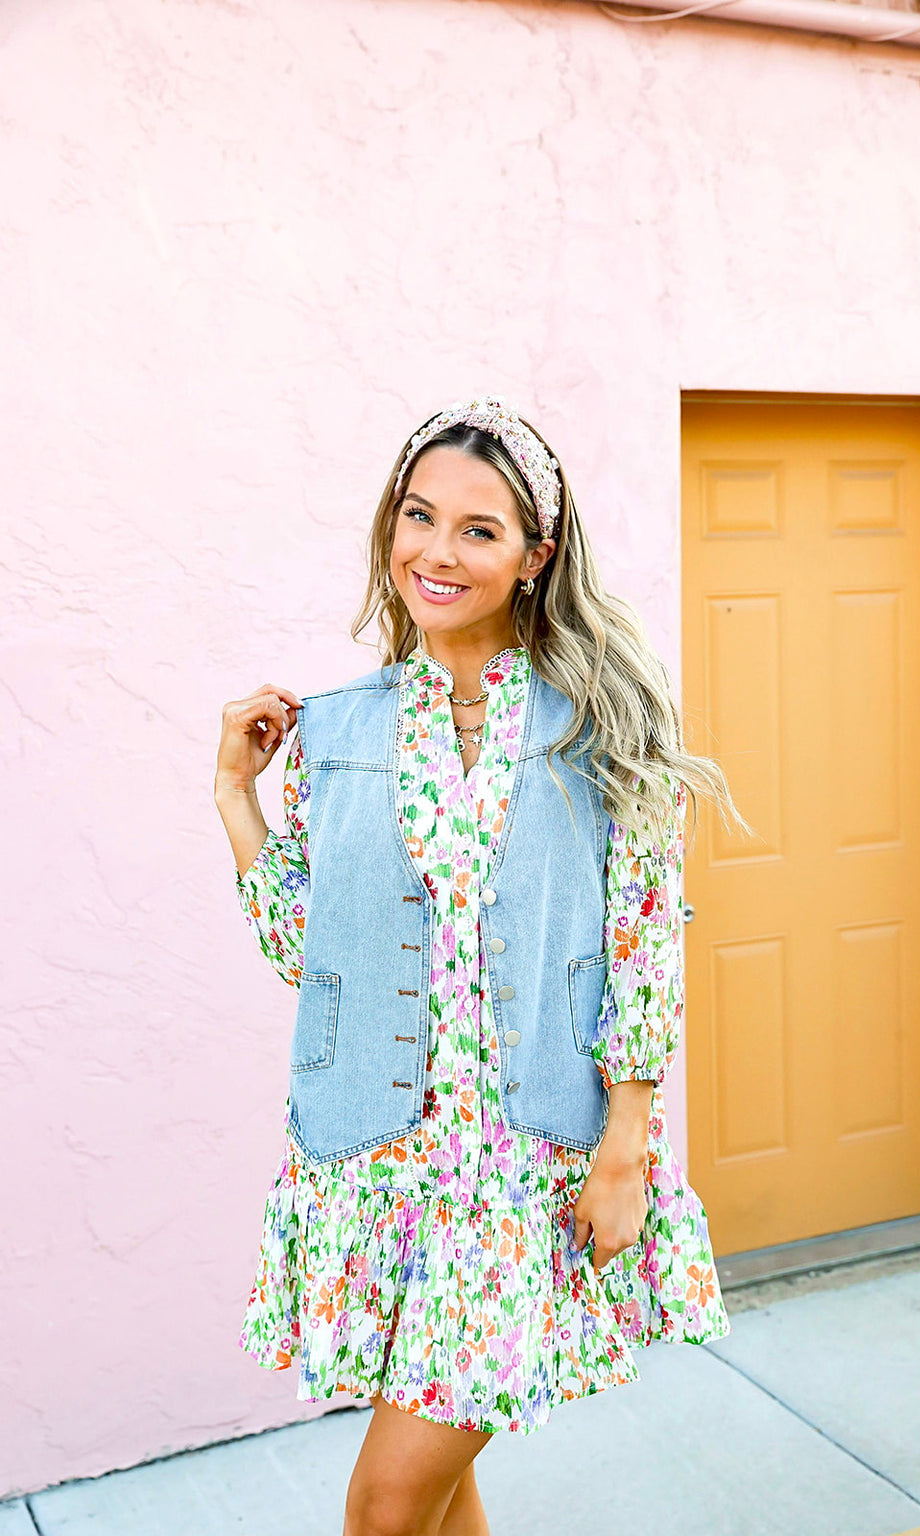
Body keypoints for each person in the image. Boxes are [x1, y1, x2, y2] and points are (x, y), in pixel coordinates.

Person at [214, 395, 752, 1536]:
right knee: (438, 1494)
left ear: (532, 556)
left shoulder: (598, 722)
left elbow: (642, 943)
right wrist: (234, 798)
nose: (436, 552)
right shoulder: (340, 728)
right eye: (419, 516)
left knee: (382, 1505)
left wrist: (627, 1148)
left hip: (526, 1179)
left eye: (478, 528)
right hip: (380, 1168)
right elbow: (302, 955)